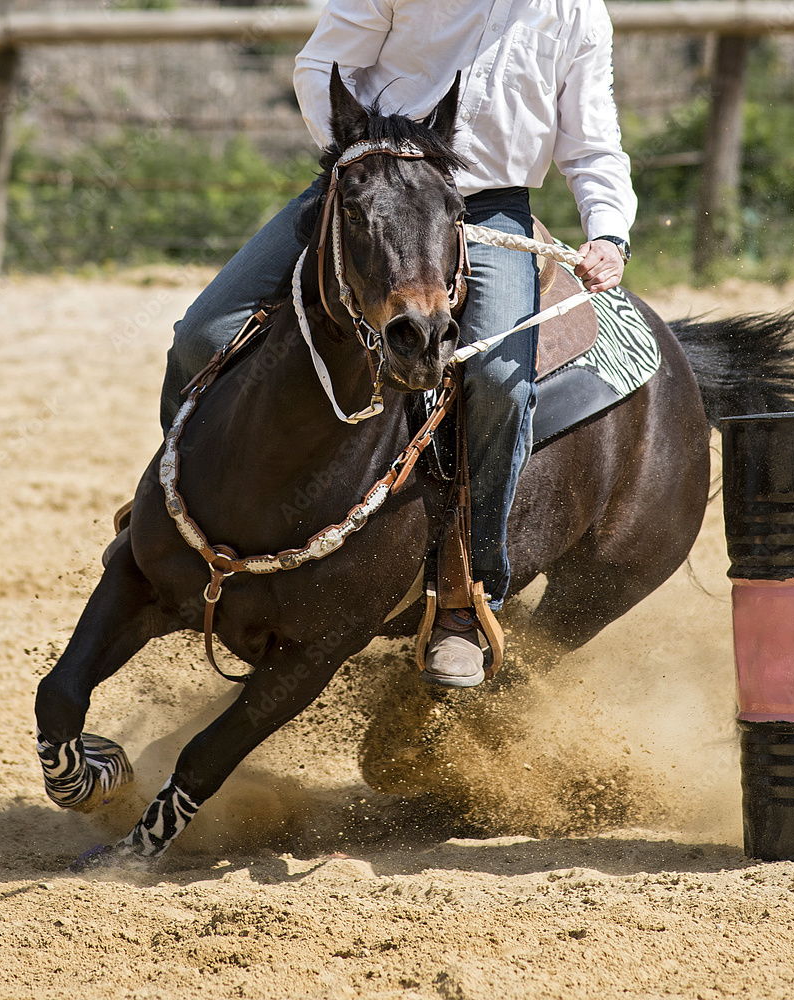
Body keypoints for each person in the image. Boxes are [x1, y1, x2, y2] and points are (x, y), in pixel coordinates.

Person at [158, 0, 637, 687]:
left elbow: (592, 140)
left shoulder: (577, 12)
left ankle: (465, 599)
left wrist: (608, 232)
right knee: (203, 333)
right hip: (374, 184)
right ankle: (181, 517)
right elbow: (321, 66)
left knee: (500, 383)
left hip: (487, 205)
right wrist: (359, 166)